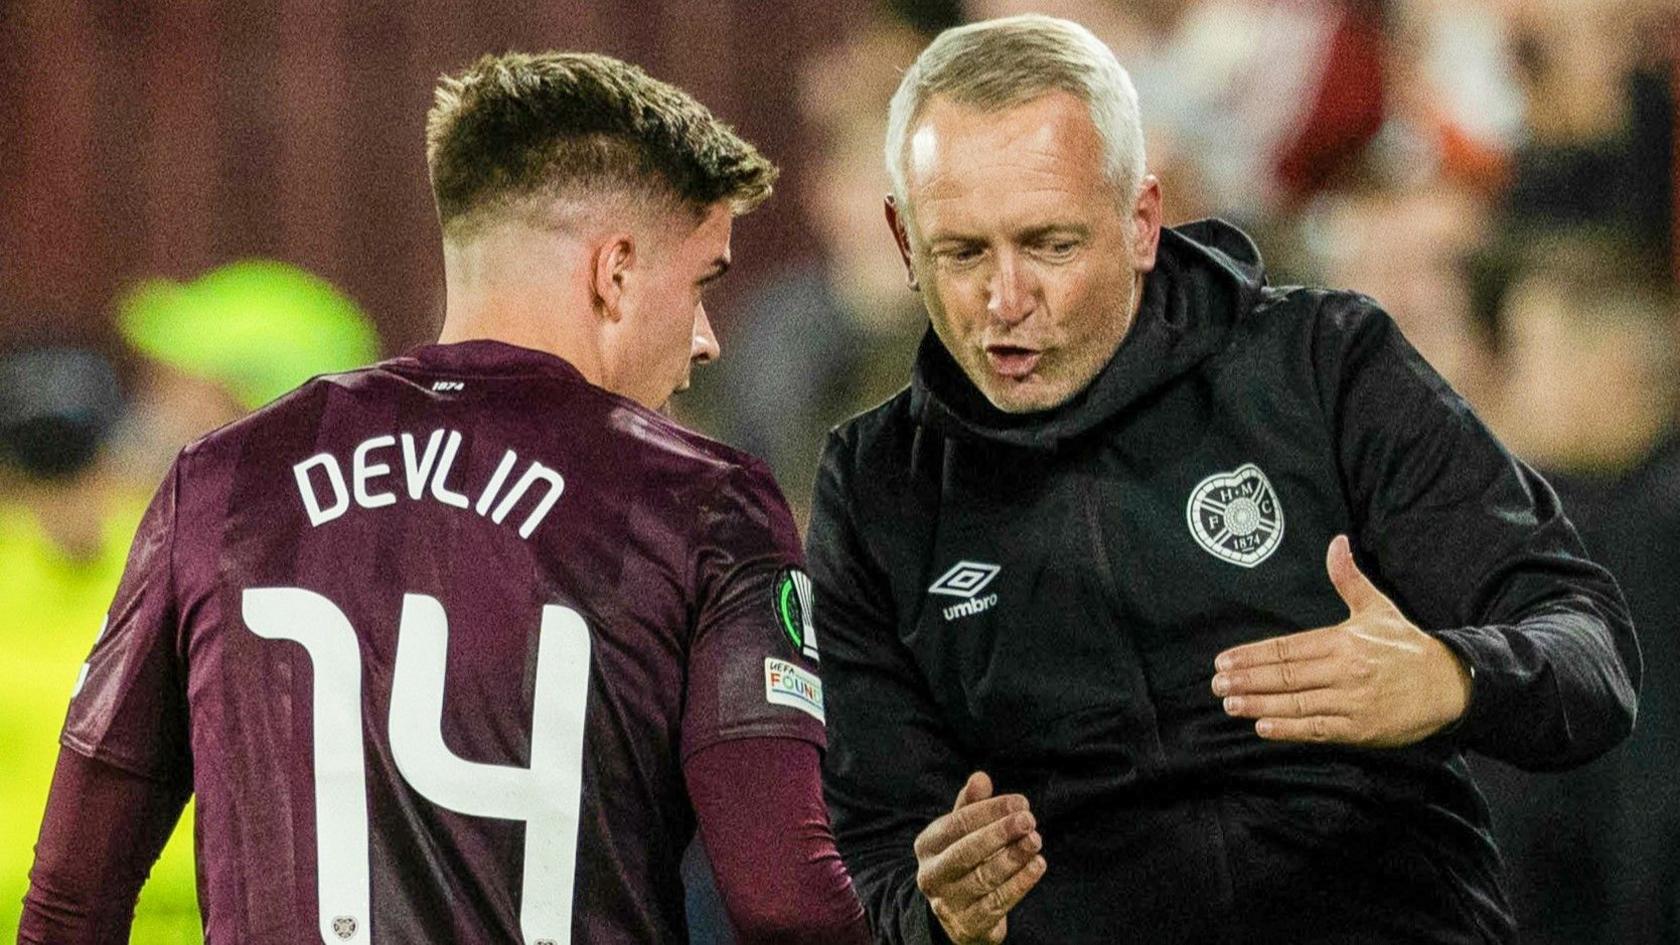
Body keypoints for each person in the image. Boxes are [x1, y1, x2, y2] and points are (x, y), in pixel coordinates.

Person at [806, 15, 1638, 945]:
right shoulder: (875, 489)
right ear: (902, 238)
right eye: (962, 252)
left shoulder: (1323, 368)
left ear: (1140, 223)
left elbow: (1590, 652)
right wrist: (937, 912)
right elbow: (873, 852)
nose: (1006, 300)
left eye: (1050, 245)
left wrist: (1451, 676)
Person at [19, 51, 870, 945]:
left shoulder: (220, 482)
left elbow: (72, 899)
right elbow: (785, 903)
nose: (706, 340)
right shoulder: (706, 504)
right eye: (702, 283)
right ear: (614, 272)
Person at [0, 347, 198, 943]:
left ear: (116, 459)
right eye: (45, 470)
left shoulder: (176, 571)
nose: (64, 495)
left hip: (183, 917)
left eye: (79, 462)